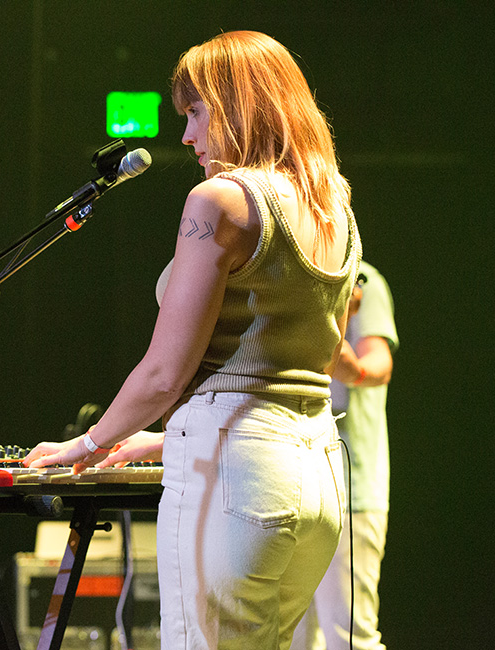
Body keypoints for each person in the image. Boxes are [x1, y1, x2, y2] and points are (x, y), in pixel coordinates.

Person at [23, 30, 361, 648]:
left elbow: (163, 374)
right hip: (319, 474)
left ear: (239, 106)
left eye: (196, 113)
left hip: (242, 478)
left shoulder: (220, 200)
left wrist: (89, 443)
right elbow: (292, 362)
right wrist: (164, 440)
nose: (187, 136)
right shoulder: (332, 203)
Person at [291, 262, 398, 650]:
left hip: (350, 489)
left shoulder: (362, 277)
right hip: (294, 488)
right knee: (293, 638)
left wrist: (352, 367)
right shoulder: (285, 275)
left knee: (349, 638)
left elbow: (378, 363)